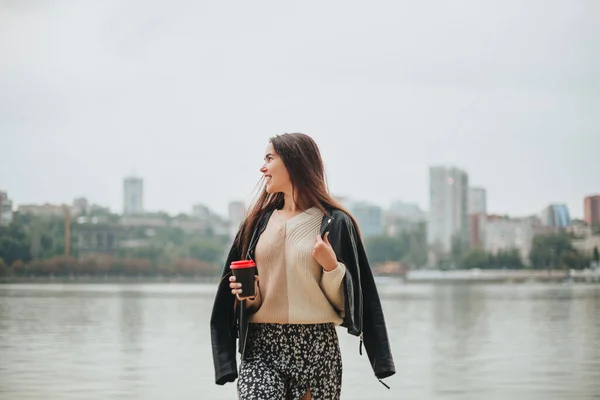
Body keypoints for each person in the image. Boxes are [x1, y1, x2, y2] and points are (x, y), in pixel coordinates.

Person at [210, 133, 395, 400]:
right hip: (262, 346)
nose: (262, 168)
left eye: (269, 158)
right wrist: (249, 295)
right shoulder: (255, 224)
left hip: (316, 346)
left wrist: (332, 268)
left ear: (293, 163)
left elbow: (348, 306)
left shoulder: (335, 223)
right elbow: (239, 305)